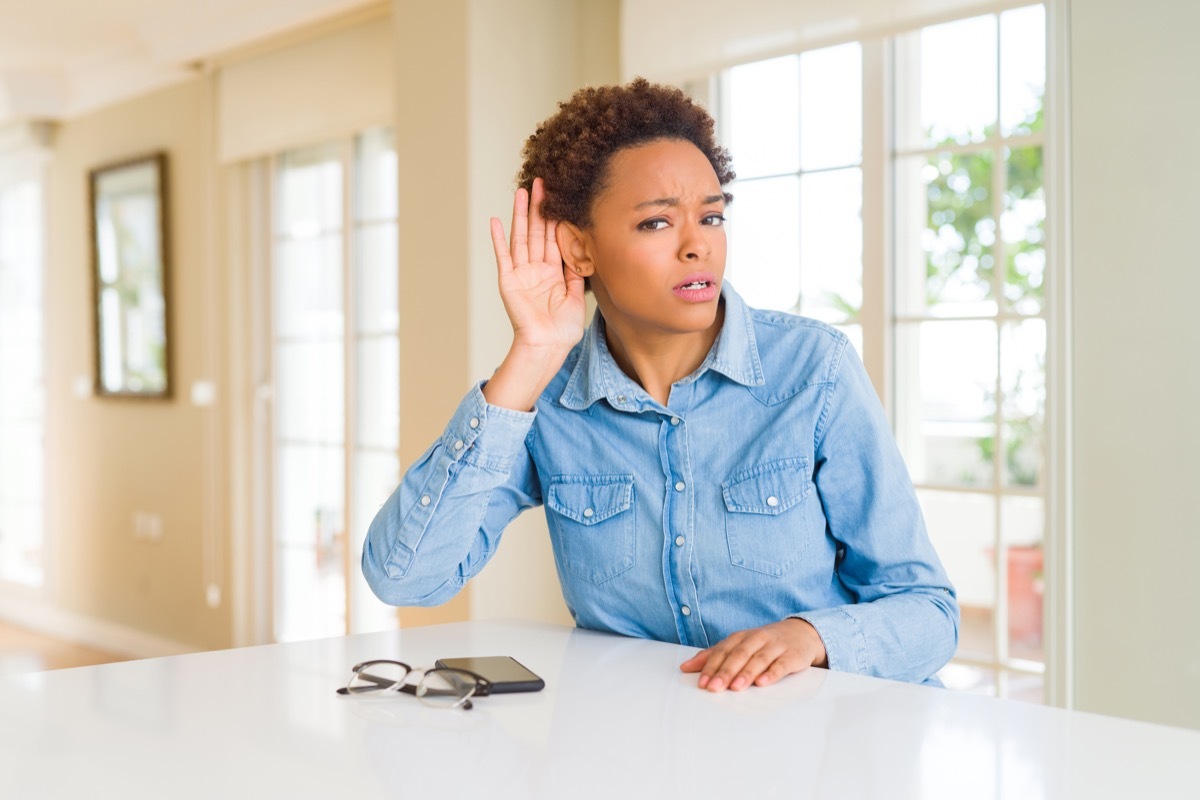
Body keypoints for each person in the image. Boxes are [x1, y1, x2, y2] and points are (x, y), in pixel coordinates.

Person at [363, 78, 958, 692]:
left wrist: (810, 638)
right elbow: (404, 577)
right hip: (649, 751)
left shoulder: (814, 370)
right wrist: (532, 354)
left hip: (828, 752)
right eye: (656, 223)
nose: (698, 245)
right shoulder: (550, 400)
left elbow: (928, 612)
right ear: (578, 247)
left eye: (711, 216)